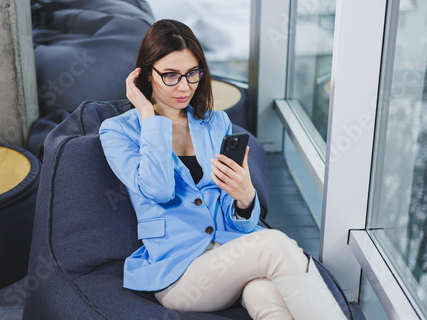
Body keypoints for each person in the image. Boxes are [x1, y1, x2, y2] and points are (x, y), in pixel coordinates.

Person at [99, 19, 345, 320]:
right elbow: (159, 190)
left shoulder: (216, 123)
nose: (185, 86)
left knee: (264, 296)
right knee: (275, 245)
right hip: (178, 273)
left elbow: (239, 224)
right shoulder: (118, 131)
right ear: (147, 75)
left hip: (228, 253)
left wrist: (245, 199)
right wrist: (149, 117)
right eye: (170, 76)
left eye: (192, 74)